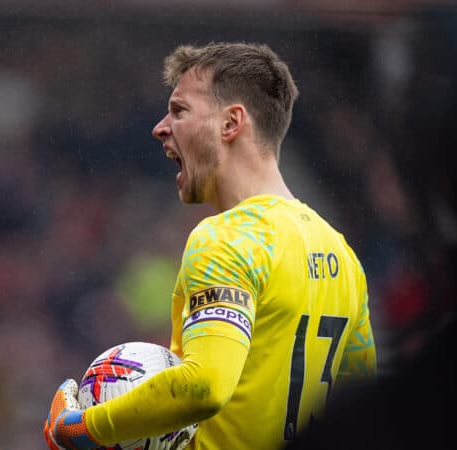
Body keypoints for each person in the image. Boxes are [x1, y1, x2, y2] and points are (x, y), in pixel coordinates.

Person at [43, 41, 377, 450]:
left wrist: (84, 428)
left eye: (179, 110)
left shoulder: (226, 238)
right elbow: (366, 407)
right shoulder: (341, 253)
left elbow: (204, 386)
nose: (160, 127)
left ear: (231, 123)